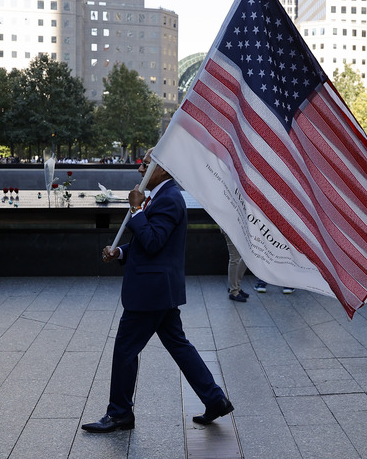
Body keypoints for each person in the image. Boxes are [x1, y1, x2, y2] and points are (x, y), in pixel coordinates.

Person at [83, 148, 234, 433]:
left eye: (146, 164)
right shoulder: (162, 197)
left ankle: (119, 414)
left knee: (125, 349)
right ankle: (215, 399)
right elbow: (148, 248)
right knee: (178, 345)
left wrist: (137, 210)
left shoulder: (169, 199)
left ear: (162, 169)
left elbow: (153, 242)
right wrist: (120, 254)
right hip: (158, 288)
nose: (140, 169)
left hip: (151, 292)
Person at [222, 229, 250, 302]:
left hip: (240, 228)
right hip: (231, 227)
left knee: (246, 257)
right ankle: (234, 291)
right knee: (234, 258)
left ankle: (235, 286)